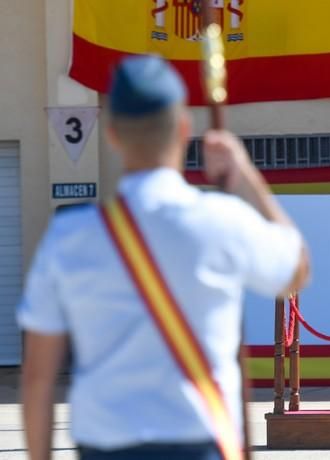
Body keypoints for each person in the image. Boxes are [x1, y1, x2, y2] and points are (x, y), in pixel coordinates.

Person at [17, 55, 310, 459]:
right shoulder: (222, 221)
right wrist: (245, 174)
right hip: (202, 443)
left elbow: (37, 376)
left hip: (107, 447)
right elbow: (296, 270)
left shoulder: (70, 237)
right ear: (184, 130)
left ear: (113, 135)